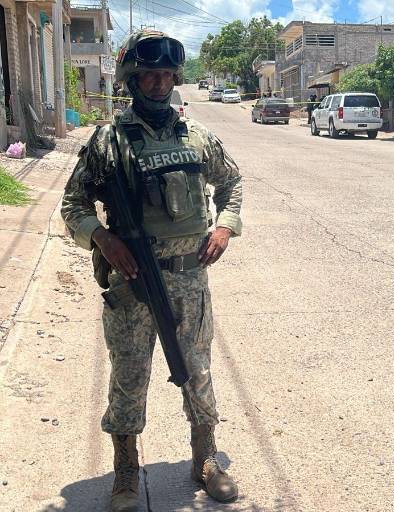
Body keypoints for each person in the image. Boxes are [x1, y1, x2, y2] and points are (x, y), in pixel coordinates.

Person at [60, 30, 242, 512]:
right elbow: (73, 202)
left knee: (197, 371)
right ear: (132, 79)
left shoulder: (197, 135)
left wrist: (225, 226)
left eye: (166, 74)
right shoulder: (108, 141)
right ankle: (125, 472)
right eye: (149, 75)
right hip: (134, 282)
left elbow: (232, 181)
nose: (159, 83)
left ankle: (204, 459)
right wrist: (102, 237)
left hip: (190, 280)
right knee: (129, 374)